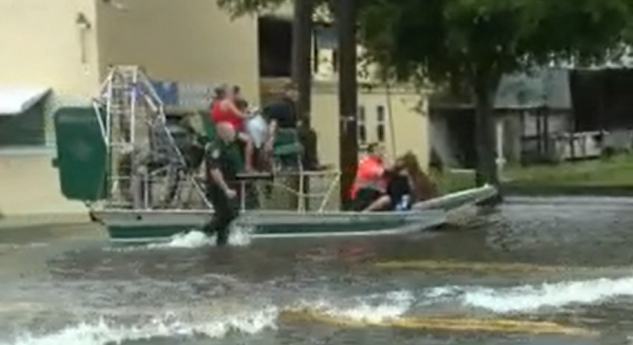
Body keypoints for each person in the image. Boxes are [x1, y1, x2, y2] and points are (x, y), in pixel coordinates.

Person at [201, 122, 242, 246]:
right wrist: (225, 189)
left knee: (229, 213)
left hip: (229, 183)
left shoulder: (229, 146)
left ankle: (221, 242)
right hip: (218, 186)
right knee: (228, 213)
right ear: (223, 133)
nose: (234, 133)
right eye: (231, 131)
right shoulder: (216, 148)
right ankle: (204, 232)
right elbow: (215, 170)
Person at [211, 85, 255, 172]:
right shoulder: (227, 102)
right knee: (250, 141)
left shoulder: (215, 104)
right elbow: (240, 115)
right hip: (229, 131)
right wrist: (252, 114)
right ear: (226, 93)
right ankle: (248, 166)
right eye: (230, 92)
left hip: (219, 131)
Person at [349, 143, 388, 211]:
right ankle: (364, 213)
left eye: (382, 150)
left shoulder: (381, 164)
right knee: (386, 199)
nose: (381, 152)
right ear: (370, 153)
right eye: (378, 150)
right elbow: (380, 172)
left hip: (373, 195)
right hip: (362, 198)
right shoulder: (366, 163)